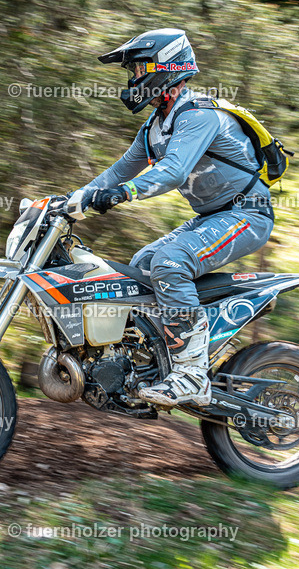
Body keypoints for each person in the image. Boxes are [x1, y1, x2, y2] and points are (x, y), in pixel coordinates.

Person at [73, 28, 274, 408]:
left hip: (248, 214)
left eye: (137, 70)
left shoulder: (199, 115)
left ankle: (192, 374)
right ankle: (154, 366)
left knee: (169, 262)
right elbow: (115, 173)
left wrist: (124, 194)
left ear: (164, 69)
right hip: (212, 217)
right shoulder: (154, 128)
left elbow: (173, 172)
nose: (132, 79)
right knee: (142, 266)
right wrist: (66, 201)